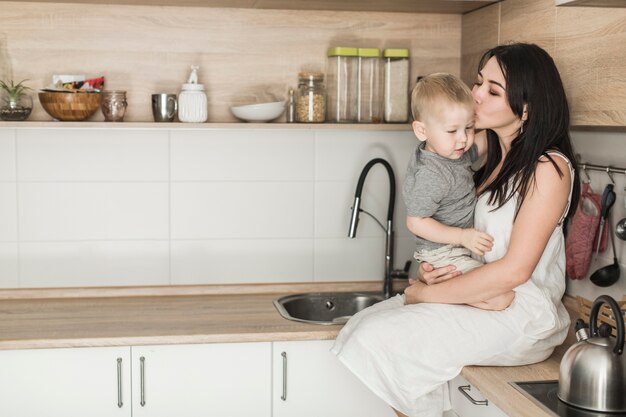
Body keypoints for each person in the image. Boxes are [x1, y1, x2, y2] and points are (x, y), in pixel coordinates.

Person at [331, 42, 580, 417]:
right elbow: (454, 225)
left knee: (381, 336)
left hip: (520, 310)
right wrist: (431, 275)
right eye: (479, 82)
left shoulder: (549, 167)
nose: (476, 94)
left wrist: (424, 297)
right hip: (481, 292)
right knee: (363, 324)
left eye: (492, 90)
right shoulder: (488, 153)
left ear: (525, 108)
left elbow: (515, 270)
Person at [403, 72, 514, 311]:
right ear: (422, 131)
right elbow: (416, 222)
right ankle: (424, 294)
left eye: (470, 128)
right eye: (452, 131)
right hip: (444, 254)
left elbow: (490, 140)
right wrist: (462, 237)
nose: (464, 139)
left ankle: (433, 292)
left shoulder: (452, 152)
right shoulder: (432, 174)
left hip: (455, 251)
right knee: (500, 298)